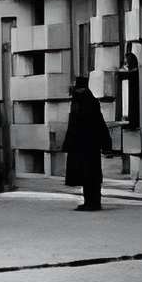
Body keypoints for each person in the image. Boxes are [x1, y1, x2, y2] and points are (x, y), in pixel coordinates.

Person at [61, 76, 113, 212]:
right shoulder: (88, 100)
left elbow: (77, 125)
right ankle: (91, 202)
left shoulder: (81, 102)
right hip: (88, 145)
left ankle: (92, 203)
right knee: (89, 175)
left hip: (85, 145)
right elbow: (99, 123)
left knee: (88, 175)